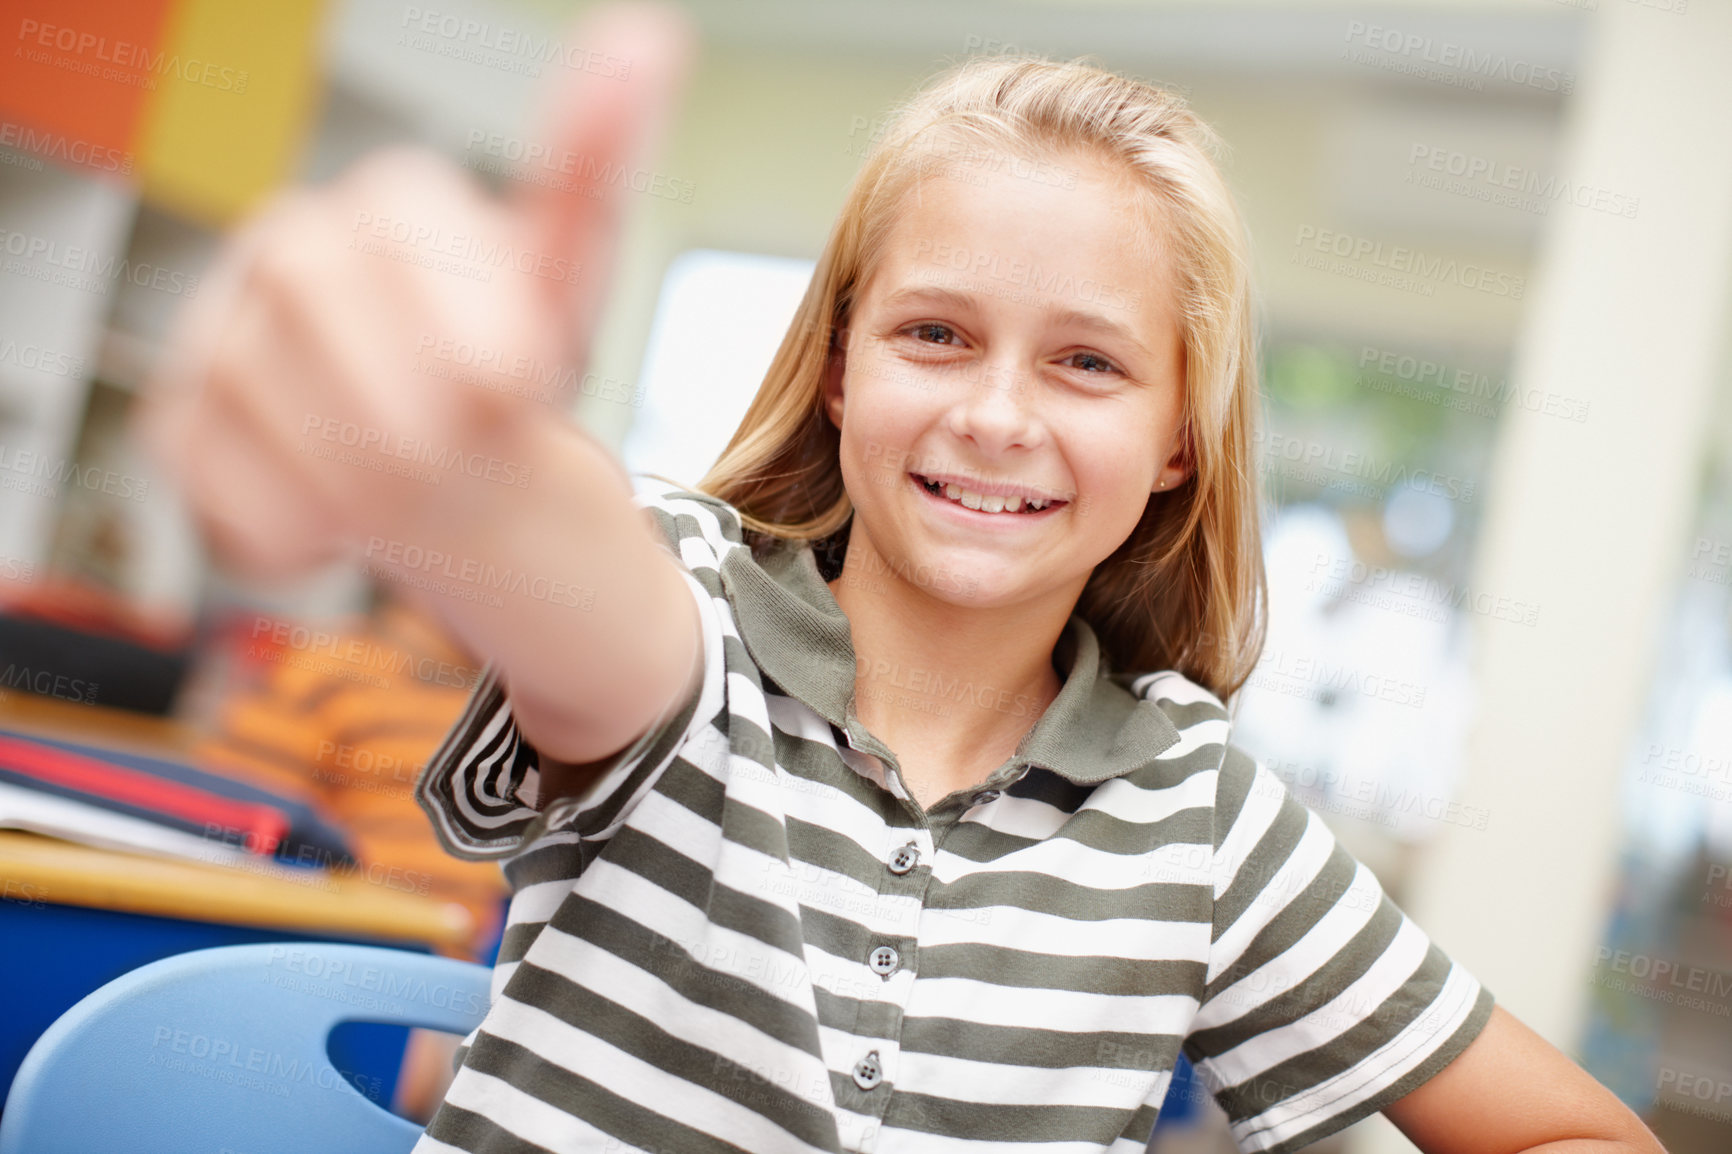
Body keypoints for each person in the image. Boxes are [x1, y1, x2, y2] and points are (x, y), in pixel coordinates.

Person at [134, 3, 1664, 1151]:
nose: (999, 411)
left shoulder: (1193, 820)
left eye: (1086, 362)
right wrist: (458, 471)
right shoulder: (694, 619)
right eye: (936, 333)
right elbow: (575, 582)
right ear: (842, 374)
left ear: (1180, 441)